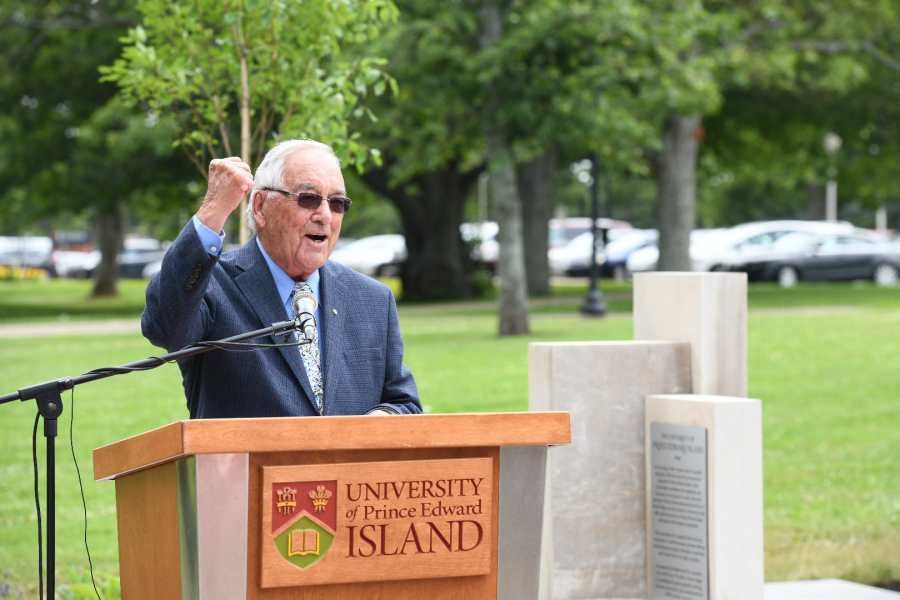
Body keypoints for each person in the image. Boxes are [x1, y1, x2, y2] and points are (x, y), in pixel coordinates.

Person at [142, 139, 421, 418]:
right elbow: (164, 327)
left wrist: (380, 421)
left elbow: (403, 402)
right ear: (261, 207)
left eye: (337, 203)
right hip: (244, 462)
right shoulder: (214, 285)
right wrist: (213, 210)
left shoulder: (372, 299)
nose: (325, 215)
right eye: (308, 198)